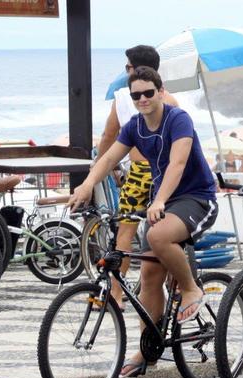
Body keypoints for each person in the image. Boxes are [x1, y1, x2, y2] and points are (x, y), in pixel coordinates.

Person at [69, 66, 218, 377]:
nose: (142, 99)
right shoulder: (135, 126)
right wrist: (86, 185)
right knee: (149, 276)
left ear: (160, 92)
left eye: (148, 92)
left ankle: (191, 289)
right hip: (163, 203)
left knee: (158, 237)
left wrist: (160, 200)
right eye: (136, 95)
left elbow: (177, 164)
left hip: (196, 197)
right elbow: (109, 158)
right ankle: (147, 349)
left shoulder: (178, 119)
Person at [96, 45, 180, 310]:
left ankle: (117, 293)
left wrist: (104, 165)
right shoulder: (170, 99)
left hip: (138, 174)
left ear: (133, 69)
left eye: (127, 67)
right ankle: (175, 288)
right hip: (164, 175)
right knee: (166, 234)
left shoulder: (123, 97)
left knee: (125, 232)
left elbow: (109, 137)